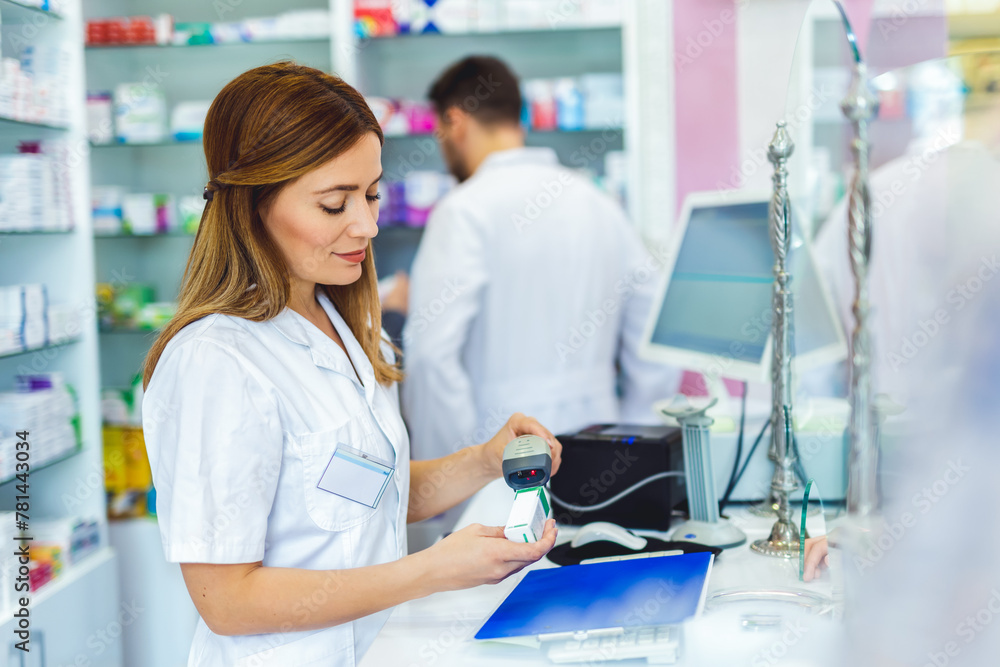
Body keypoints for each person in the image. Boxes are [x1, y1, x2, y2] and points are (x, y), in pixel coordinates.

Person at [140, 62, 561, 667]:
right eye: (334, 204)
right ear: (253, 205)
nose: (366, 225)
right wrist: (430, 570)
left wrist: (482, 462)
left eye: (370, 194)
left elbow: (367, 496)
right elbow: (227, 600)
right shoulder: (217, 362)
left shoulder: (345, 329)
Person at [402, 56, 681, 461]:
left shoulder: (464, 210)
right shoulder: (597, 201)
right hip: (597, 446)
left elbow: (431, 358)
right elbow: (654, 328)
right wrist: (633, 432)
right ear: (521, 119)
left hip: (502, 458)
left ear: (455, 122)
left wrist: (449, 473)